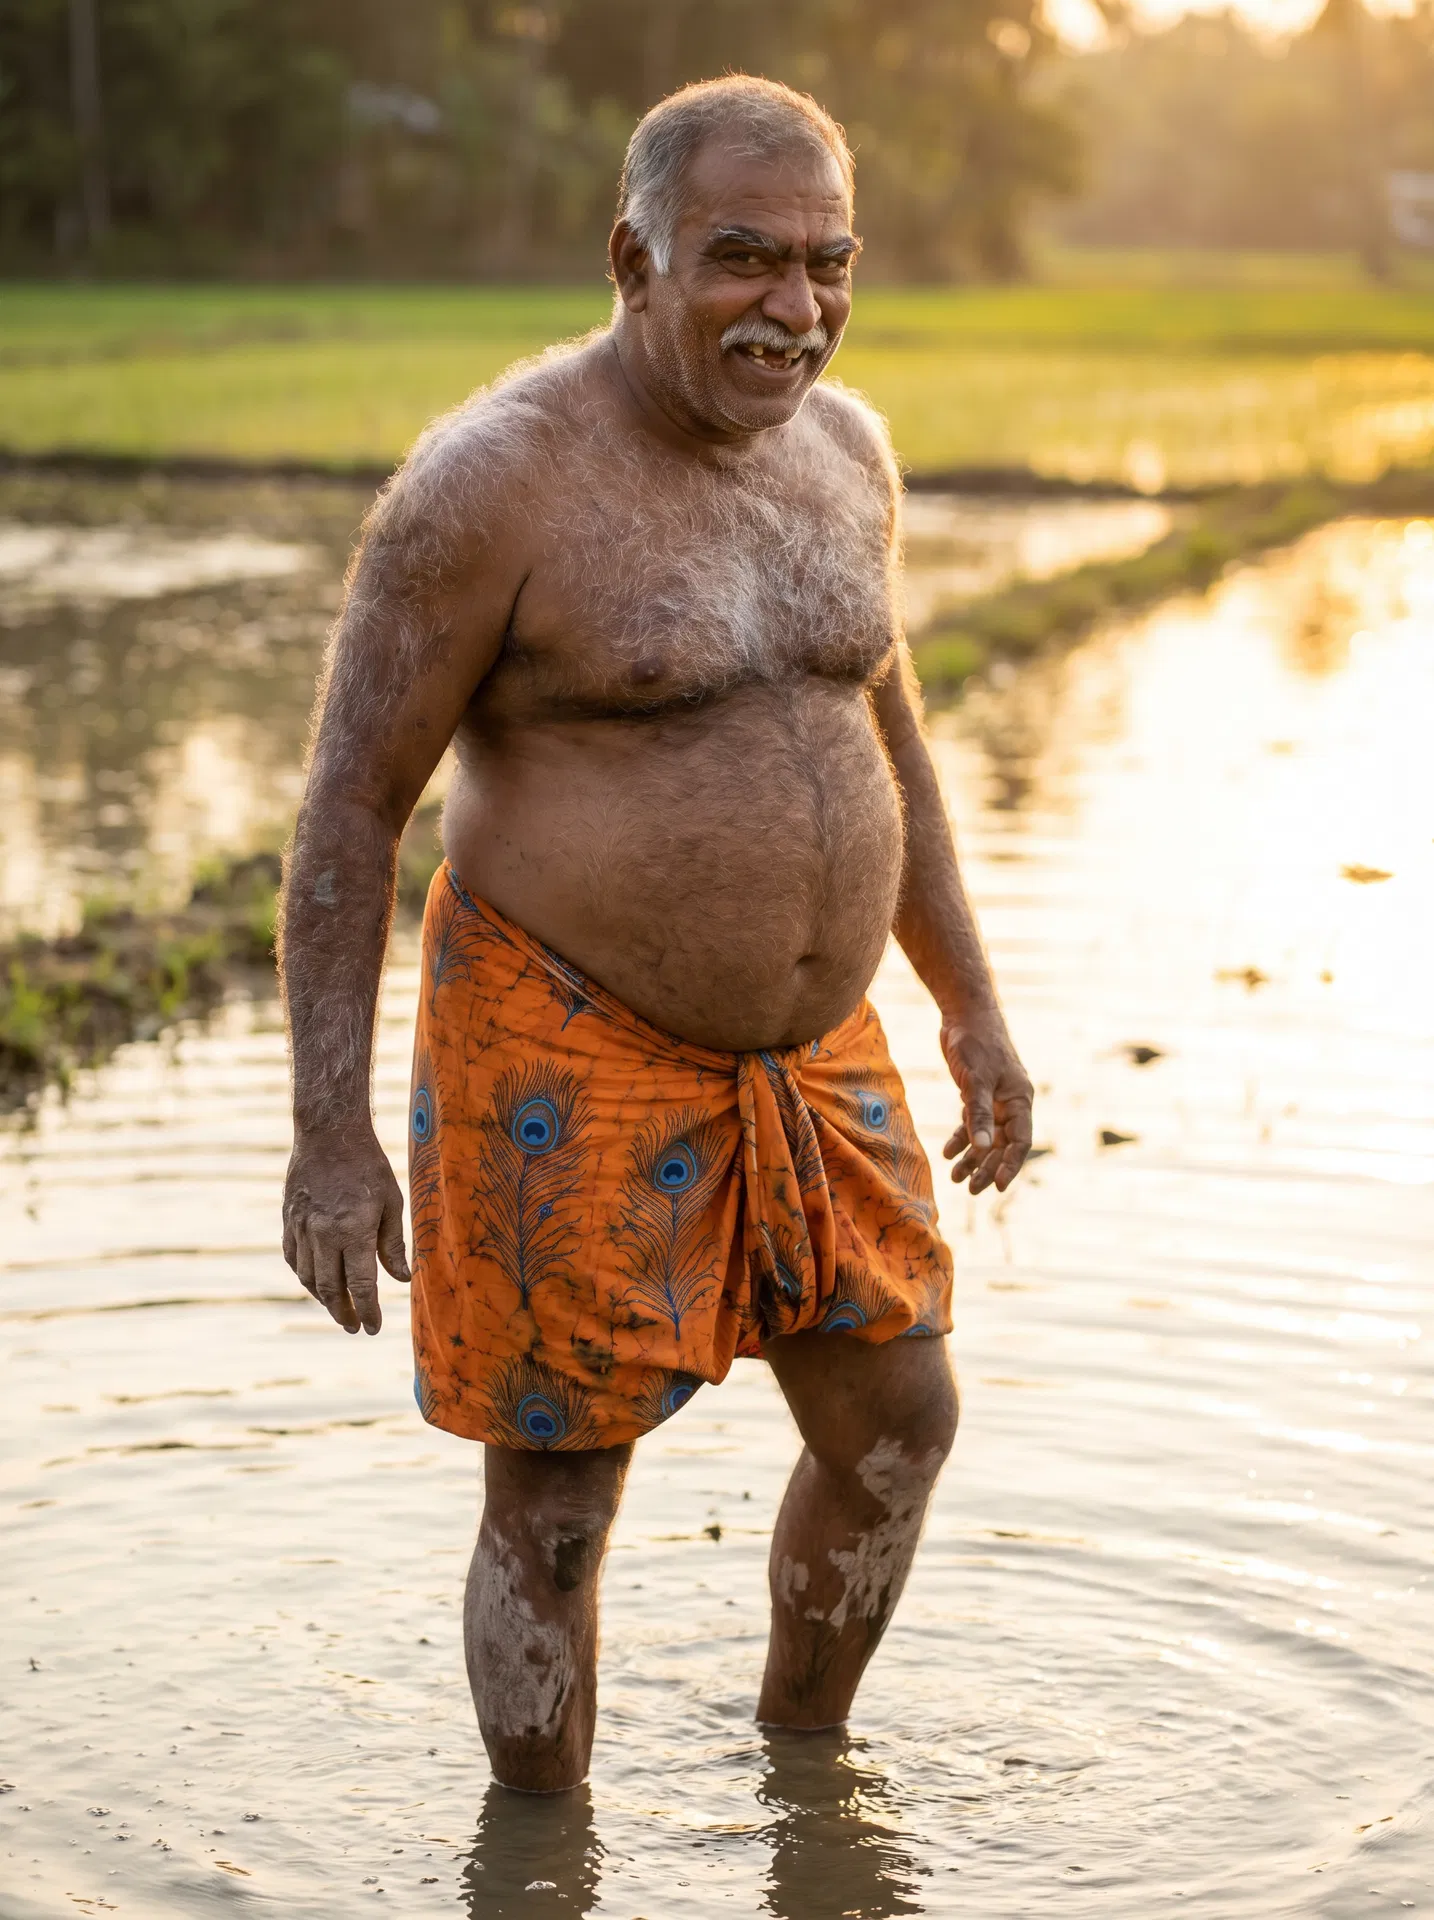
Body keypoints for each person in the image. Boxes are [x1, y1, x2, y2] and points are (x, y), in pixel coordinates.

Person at [279, 74, 1033, 1795]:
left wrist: (971, 1004)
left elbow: (886, 731)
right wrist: (328, 1131)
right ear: (634, 260)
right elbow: (348, 809)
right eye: (744, 258)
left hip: (817, 1047)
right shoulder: (493, 486)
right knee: (557, 1503)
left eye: (829, 263)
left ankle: (805, 1775)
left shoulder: (845, 454)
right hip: (564, 1034)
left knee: (897, 1423)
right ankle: (538, 1860)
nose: (795, 307)